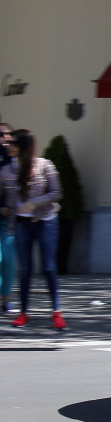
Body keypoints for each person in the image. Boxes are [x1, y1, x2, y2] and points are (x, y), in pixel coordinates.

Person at [1, 129, 64, 329]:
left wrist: (34, 203)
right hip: (21, 224)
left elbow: (57, 192)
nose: (9, 146)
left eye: (14, 143)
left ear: (24, 146)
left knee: (49, 267)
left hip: (46, 220)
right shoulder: (5, 171)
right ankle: (23, 313)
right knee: (25, 269)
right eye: (9, 143)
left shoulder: (45, 165)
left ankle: (56, 312)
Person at [0, 123, 15, 313]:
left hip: (9, 221)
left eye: (10, 135)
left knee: (9, 260)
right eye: (3, 135)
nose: (7, 138)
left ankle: (7, 300)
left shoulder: (13, 161)